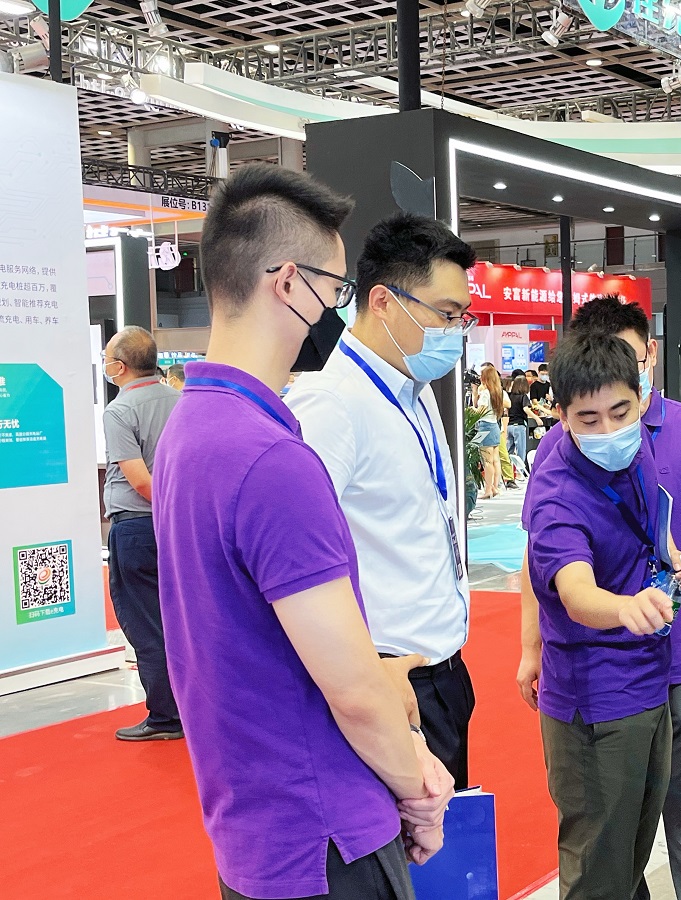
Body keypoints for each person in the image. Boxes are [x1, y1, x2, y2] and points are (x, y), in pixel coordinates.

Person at [154, 164, 452, 900]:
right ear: (289, 282)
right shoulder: (271, 458)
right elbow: (351, 688)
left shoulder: (188, 431)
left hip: (251, 827)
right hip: (326, 835)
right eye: (334, 288)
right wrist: (418, 786)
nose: (334, 310)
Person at [518, 295, 681, 900]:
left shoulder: (650, 447)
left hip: (656, 677)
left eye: (620, 412)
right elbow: (574, 589)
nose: (607, 431)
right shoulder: (557, 489)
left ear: (641, 392)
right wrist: (624, 608)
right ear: (560, 414)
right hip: (598, 696)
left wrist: (672, 561)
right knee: (601, 868)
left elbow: (655, 524)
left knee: (650, 846)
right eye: (588, 419)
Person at [287, 210, 481, 789]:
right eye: (446, 313)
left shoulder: (414, 391)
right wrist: (367, 670)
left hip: (442, 671)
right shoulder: (330, 405)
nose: (456, 330)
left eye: (463, 316)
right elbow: (293, 562)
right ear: (383, 302)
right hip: (391, 681)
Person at [101, 325, 183, 742]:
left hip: (137, 526)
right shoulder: (180, 401)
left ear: (120, 366)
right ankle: (191, 708)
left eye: (107, 359)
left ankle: (166, 717)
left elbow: (140, 482)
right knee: (181, 621)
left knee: (146, 624)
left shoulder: (120, 411)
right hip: (178, 527)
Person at [475, 364, 505, 498]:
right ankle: (495, 487)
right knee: (495, 460)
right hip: (494, 426)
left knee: (486, 461)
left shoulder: (485, 393)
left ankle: (488, 490)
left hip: (485, 427)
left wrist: (471, 410)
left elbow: (479, 412)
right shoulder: (498, 393)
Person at [508, 372, 533, 470]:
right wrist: (537, 418)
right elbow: (526, 409)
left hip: (509, 425)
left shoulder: (510, 396)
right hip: (519, 426)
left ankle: (507, 473)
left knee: (508, 452)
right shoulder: (523, 397)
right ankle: (520, 473)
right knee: (521, 452)